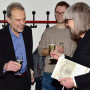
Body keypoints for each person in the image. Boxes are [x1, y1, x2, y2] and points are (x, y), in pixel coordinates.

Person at [38, 1, 77, 90]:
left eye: (62, 13)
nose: (59, 15)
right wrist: (50, 51)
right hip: (49, 75)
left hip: (68, 75)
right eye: (57, 12)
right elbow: (40, 51)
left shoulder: (73, 32)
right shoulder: (48, 31)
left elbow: (77, 57)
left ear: (68, 14)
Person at [51, 2, 90, 90]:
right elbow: (79, 65)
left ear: (77, 20)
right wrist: (62, 57)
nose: (66, 24)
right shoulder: (83, 39)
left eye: (68, 21)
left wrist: (75, 82)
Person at [0, 2, 33, 90]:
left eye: (24, 19)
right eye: (18, 20)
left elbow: (29, 55)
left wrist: (31, 71)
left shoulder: (28, 31)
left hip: (25, 82)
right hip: (7, 85)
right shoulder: (1, 35)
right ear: (8, 19)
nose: (22, 23)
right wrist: (5, 66)